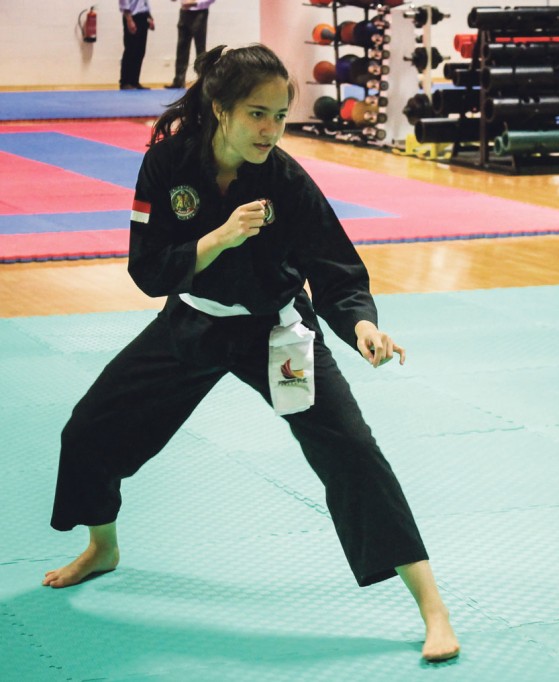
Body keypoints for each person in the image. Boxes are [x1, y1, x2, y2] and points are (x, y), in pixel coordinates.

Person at [43, 43, 460, 663]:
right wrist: (218, 237)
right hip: (192, 323)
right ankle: (103, 545)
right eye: (257, 114)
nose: (270, 129)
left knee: (351, 452)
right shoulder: (167, 165)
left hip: (277, 335)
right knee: (90, 428)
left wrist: (362, 326)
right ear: (221, 110)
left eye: (280, 116)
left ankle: (433, 608)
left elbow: (336, 267)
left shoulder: (285, 178)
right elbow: (148, 270)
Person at [167, 0, 215, 89]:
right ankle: (179, 81)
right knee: (181, 48)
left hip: (199, 12)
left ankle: (202, 81)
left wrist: (196, 3)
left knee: (200, 49)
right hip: (184, 12)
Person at [119, 0, 155, 90]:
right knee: (130, 49)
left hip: (143, 16)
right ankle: (125, 82)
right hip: (132, 16)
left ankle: (134, 81)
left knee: (140, 51)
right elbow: (124, 2)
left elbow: (144, 2)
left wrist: (150, 17)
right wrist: (129, 20)